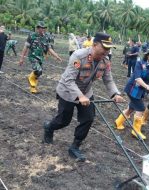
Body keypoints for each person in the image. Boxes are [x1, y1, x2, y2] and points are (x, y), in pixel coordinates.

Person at [43, 32, 124, 161]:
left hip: (86, 92)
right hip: (68, 92)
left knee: (88, 118)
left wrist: (115, 94)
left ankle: (75, 146)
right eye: (104, 47)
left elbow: (108, 80)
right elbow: (69, 80)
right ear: (95, 44)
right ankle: (49, 127)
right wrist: (79, 96)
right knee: (63, 121)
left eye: (109, 49)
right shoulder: (78, 56)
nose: (107, 51)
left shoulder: (105, 61)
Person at [114, 49, 149, 140]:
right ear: (148, 55)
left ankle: (118, 122)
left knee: (131, 108)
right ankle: (136, 131)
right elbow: (138, 78)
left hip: (140, 91)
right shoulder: (140, 64)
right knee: (140, 108)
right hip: (132, 89)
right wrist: (148, 87)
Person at [19, 21, 62, 93]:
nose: (43, 29)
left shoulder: (45, 37)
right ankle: (31, 79)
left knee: (39, 73)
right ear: (37, 28)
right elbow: (25, 47)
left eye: (44, 28)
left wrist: (56, 56)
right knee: (38, 70)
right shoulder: (31, 36)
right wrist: (21, 58)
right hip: (33, 56)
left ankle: (33, 87)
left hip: (40, 57)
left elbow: (49, 48)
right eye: (41, 28)